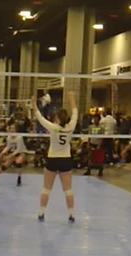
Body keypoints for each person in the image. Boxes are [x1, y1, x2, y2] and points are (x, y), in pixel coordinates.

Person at [32, 91, 78, 224]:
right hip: (65, 160)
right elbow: (75, 111)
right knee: (68, 190)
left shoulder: (53, 127)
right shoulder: (71, 127)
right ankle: (71, 215)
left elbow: (39, 117)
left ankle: (41, 213)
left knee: (47, 188)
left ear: (57, 119)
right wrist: (71, 98)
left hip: (52, 159)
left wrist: (34, 104)